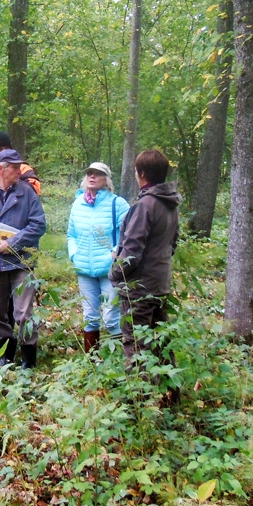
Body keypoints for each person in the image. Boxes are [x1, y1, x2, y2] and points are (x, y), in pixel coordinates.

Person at [109, 149, 181, 399]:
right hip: (160, 285)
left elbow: (132, 251)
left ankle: (140, 405)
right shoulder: (169, 203)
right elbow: (173, 244)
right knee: (161, 342)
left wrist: (115, 273)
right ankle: (171, 396)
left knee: (136, 344)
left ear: (141, 174)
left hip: (139, 289)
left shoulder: (145, 205)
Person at [0, 149, 46, 368]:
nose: (18, 170)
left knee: (23, 313)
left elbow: (38, 224)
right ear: (0, 169)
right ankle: (5, 354)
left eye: (19, 166)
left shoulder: (27, 192)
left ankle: (28, 358)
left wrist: (12, 243)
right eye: (14, 167)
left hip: (21, 262)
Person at [67, 162, 130, 353]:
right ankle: (92, 362)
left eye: (98, 174)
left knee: (111, 317)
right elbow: (71, 235)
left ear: (106, 180)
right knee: (90, 317)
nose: (92, 177)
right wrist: (74, 255)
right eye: (89, 174)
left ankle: (118, 360)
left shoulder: (117, 204)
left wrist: (115, 252)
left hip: (109, 270)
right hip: (84, 269)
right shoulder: (78, 204)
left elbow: (127, 233)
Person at [0, 131, 41, 195]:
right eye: (0, 149)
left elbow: (34, 191)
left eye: (7, 148)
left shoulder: (23, 168)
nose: (4, 152)